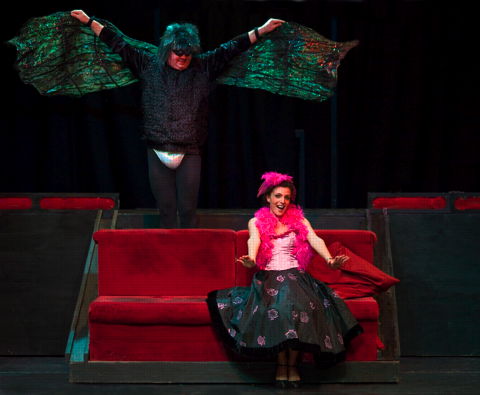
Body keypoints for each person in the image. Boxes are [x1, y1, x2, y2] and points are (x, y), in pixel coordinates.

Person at [70, 10, 284, 228]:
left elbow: (231, 48)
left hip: (189, 151)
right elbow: (117, 43)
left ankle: (188, 255)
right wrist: (89, 21)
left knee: (188, 209)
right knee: (166, 210)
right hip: (157, 150)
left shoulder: (203, 67)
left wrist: (262, 30)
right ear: (167, 50)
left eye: (187, 53)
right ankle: (170, 258)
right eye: (177, 52)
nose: (182, 57)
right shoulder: (148, 65)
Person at [207, 172, 363, 388]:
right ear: (268, 198)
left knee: (302, 309)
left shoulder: (299, 220)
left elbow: (314, 238)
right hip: (269, 277)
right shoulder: (256, 221)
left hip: (296, 276)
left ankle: (292, 364)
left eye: (287, 198)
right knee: (280, 311)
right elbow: (254, 240)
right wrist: (251, 259)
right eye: (278, 196)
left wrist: (329, 259)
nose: (282, 201)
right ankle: (283, 364)